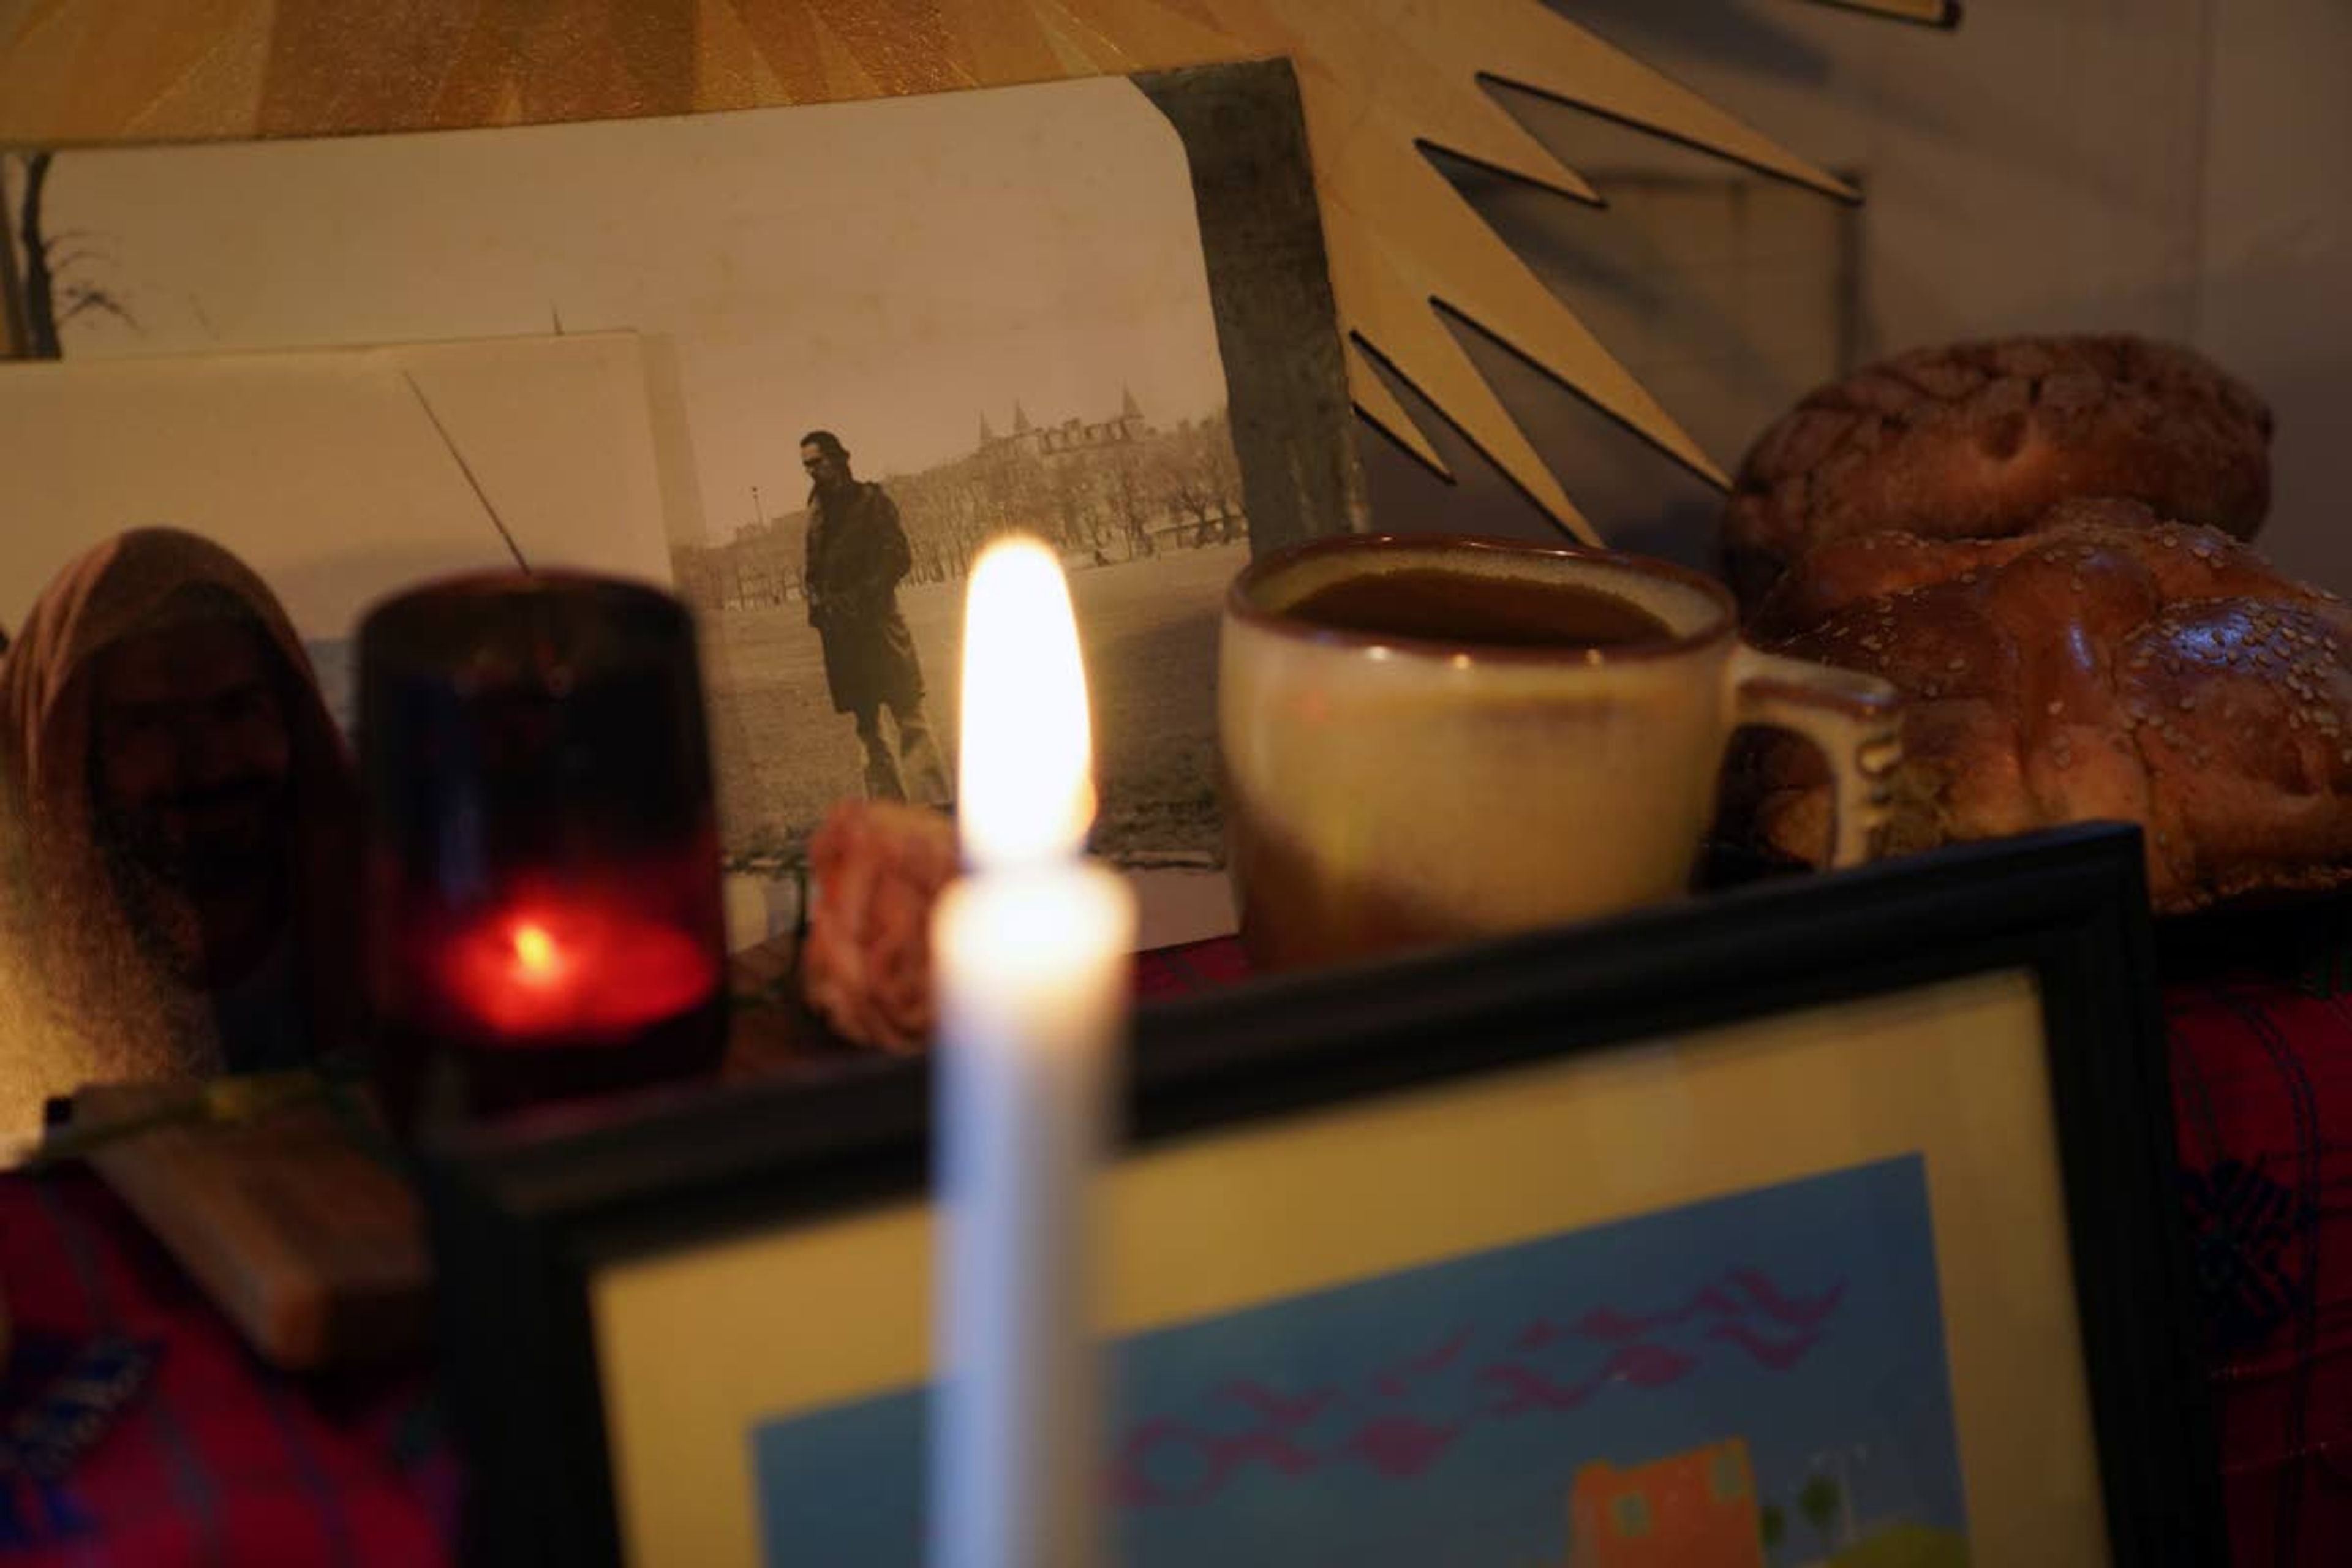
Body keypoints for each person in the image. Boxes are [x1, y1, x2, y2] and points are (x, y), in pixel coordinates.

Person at [0, 529, 360, 1134]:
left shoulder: (397, 905)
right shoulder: (17, 969)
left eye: (237, 707)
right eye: (148, 724)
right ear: (73, 754)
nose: (208, 764)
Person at [800, 429, 949, 804]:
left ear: (837, 457)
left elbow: (898, 557)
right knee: (866, 727)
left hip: (880, 628)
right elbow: (813, 571)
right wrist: (818, 606)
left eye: (817, 462)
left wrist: (862, 597)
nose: (812, 471)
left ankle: (938, 806)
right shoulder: (815, 514)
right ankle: (888, 813)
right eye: (806, 465)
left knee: (909, 716)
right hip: (843, 637)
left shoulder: (873, 501)